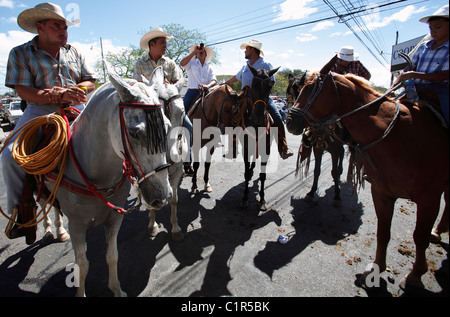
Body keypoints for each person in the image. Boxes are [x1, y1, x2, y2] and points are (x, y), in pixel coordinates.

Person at [1, 3, 95, 234]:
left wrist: (77, 89)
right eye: (57, 26)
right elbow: (23, 91)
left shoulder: (75, 51)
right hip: (40, 111)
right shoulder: (20, 53)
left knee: (115, 134)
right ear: (39, 27)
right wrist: (58, 94)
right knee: (10, 155)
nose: (63, 31)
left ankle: (131, 182)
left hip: (77, 107)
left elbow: (90, 81)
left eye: (65, 27)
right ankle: (22, 212)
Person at [133, 28, 194, 175]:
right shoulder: (140, 64)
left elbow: (178, 84)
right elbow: (136, 86)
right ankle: (134, 164)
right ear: (152, 44)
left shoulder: (170, 63)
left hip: (169, 106)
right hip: (149, 107)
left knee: (189, 127)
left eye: (165, 43)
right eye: (162, 43)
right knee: (133, 130)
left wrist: (169, 85)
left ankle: (186, 160)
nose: (165, 46)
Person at [226, 39, 293, 159]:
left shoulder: (265, 65)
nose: (244, 52)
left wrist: (258, 90)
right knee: (231, 117)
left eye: (246, 49)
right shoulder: (245, 67)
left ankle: (283, 148)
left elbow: (271, 81)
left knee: (277, 118)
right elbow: (235, 78)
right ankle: (233, 148)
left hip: (261, 99)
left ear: (252, 50)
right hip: (245, 98)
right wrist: (224, 84)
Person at [392, 4, 449, 125]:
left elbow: (443, 76)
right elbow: (408, 69)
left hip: (442, 90)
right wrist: (393, 87)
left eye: (438, 27)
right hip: (416, 89)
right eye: (430, 28)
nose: (433, 32)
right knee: (390, 109)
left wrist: (414, 75)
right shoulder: (423, 47)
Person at [180, 44, 217, 113]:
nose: (201, 52)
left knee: (215, 110)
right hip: (192, 92)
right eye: (199, 51)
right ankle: (183, 123)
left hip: (205, 92)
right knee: (182, 110)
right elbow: (182, 64)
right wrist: (194, 52)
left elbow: (214, 80)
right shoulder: (191, 63)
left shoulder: (209, 67)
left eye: (203, 51)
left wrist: (207, 86)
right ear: (196, 54)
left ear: (205, 55)